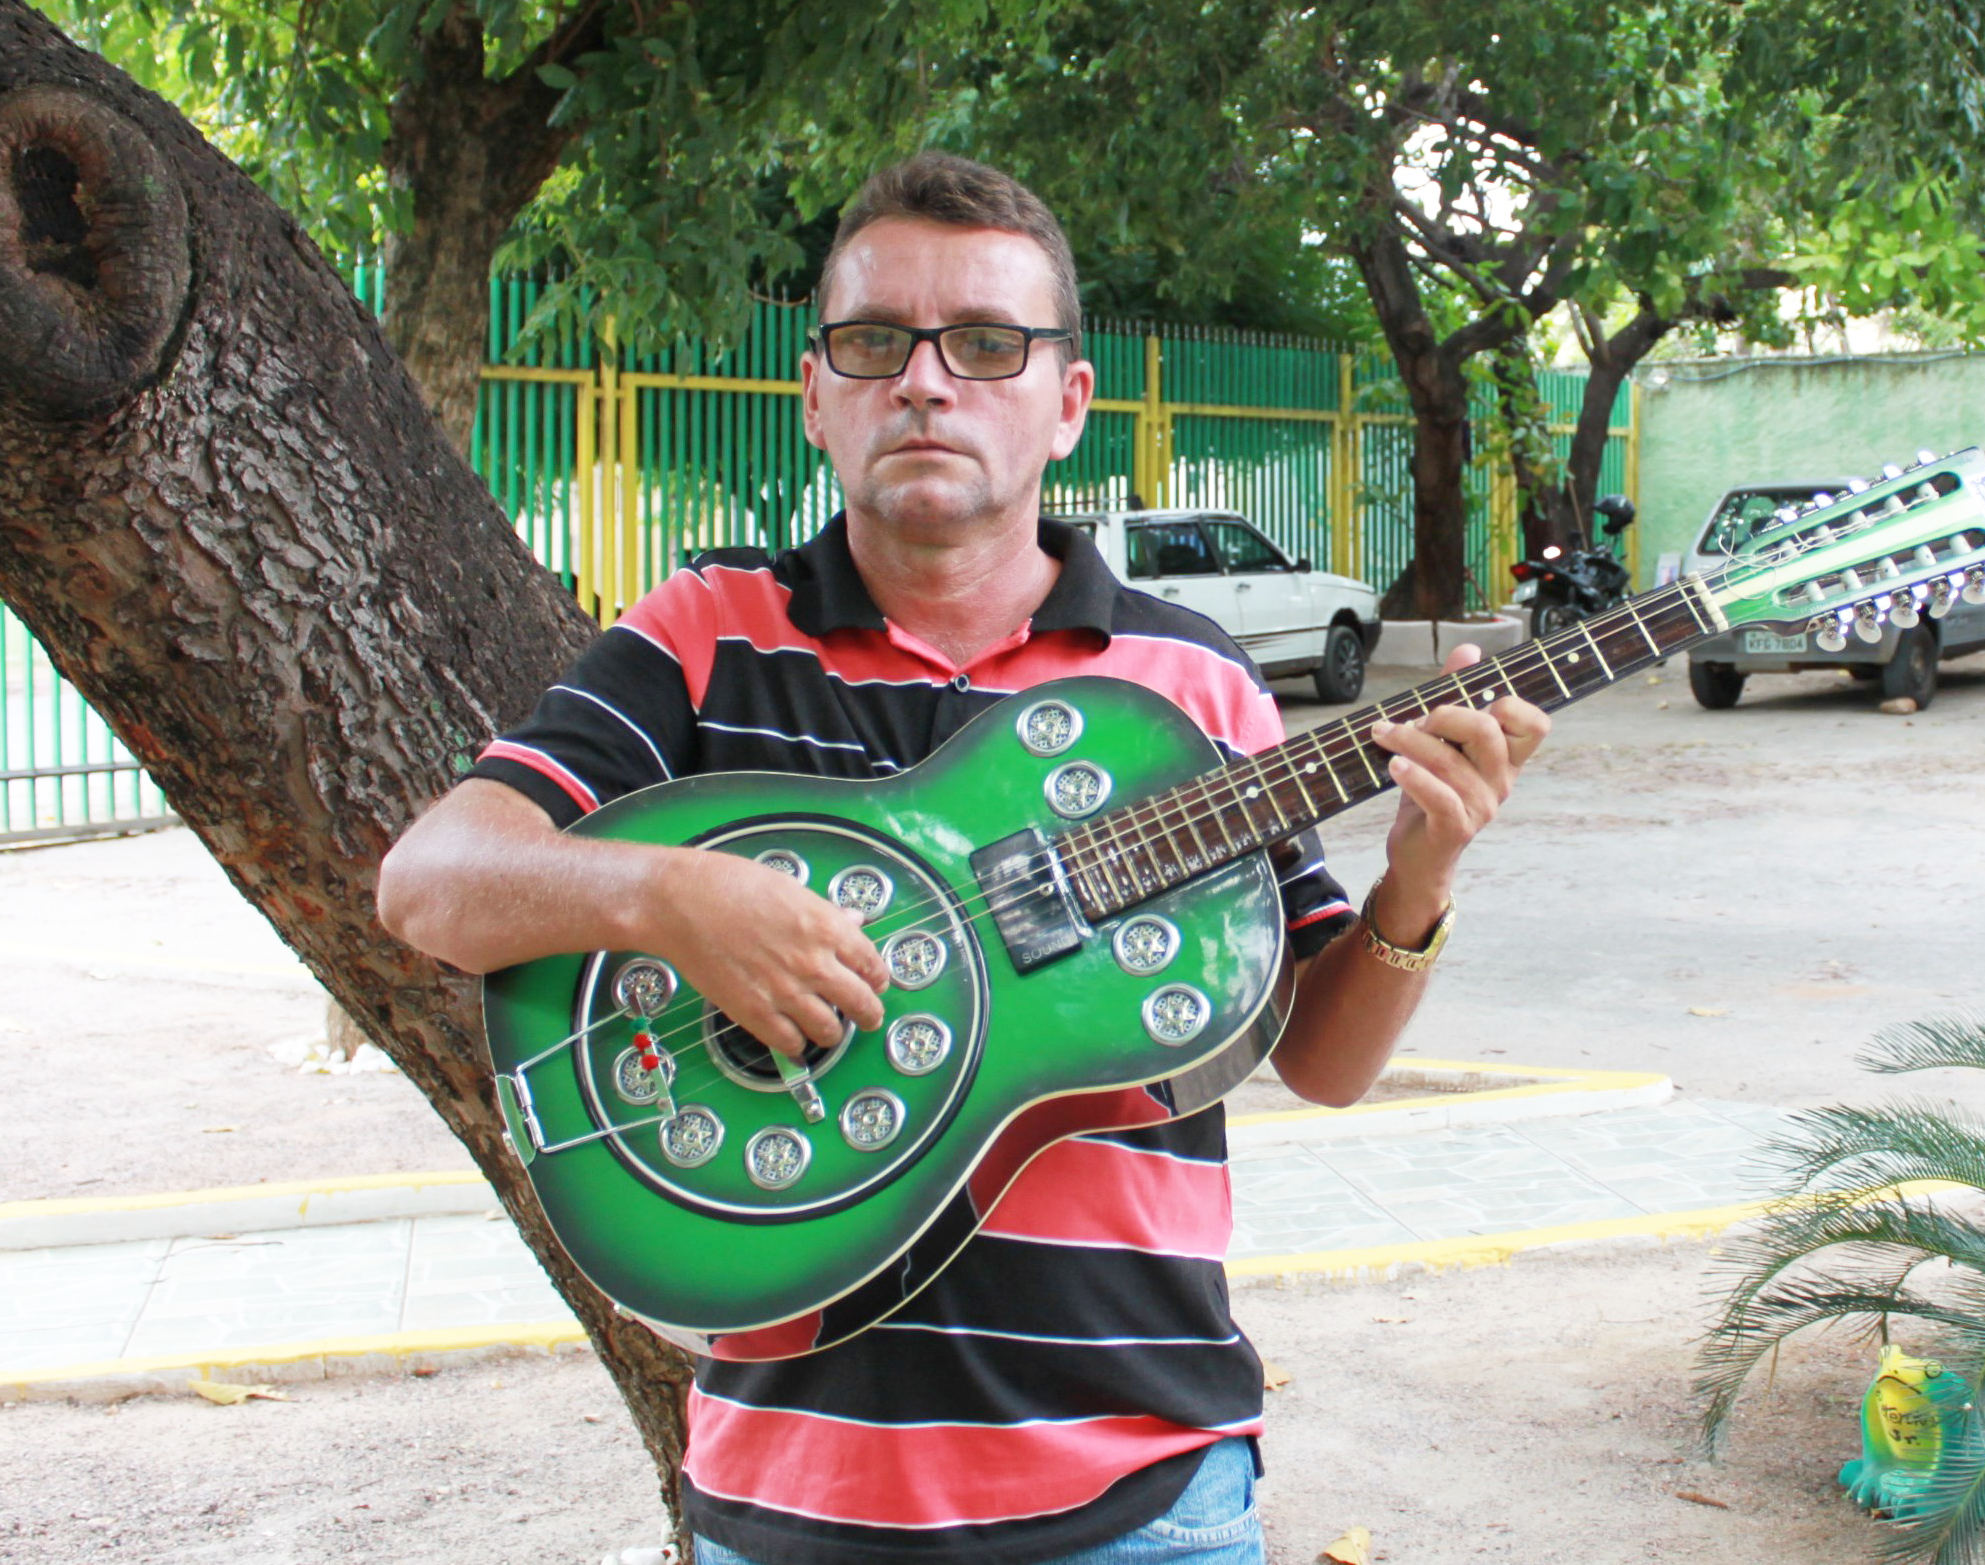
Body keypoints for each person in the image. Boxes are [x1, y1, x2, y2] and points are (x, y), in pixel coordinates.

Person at [378, 152, 1549, 1565]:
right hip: (793, 1500)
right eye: (877, 342)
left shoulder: (1190, 683)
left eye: (987, 345)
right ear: (816, 394)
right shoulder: (704, 636)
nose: (927, 382)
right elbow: (430, 883)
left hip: (1148, 1496)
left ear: (1067, 405)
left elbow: (1323, 1059)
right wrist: (670, 895)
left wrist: (1417, 882)